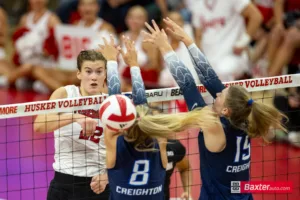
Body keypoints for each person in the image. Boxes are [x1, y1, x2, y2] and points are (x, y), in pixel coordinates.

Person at [144, 18, 286, 199]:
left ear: (226, 110)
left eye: (220, 96)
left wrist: (164, 47)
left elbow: (188, 85)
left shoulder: (213, 124)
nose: (217, 94)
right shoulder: (243, 114)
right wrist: (188, 40)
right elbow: (210, 78)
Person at [97, 35, 217, 199]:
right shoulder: (160, 142)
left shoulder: (117, 145)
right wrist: (132, 64)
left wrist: (113, 62)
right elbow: (130, 108)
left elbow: (117, 105)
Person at [33, 50, 110, 199]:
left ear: (105, 74)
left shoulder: (110, 102)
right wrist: (75, 117)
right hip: (65, 181)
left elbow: (122, 145)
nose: (93, 77)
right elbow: (39, 126)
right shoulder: (65, 95)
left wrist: (108, 175)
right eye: (88, 71)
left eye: (99, 72)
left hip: (98, 183)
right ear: (79, 74)